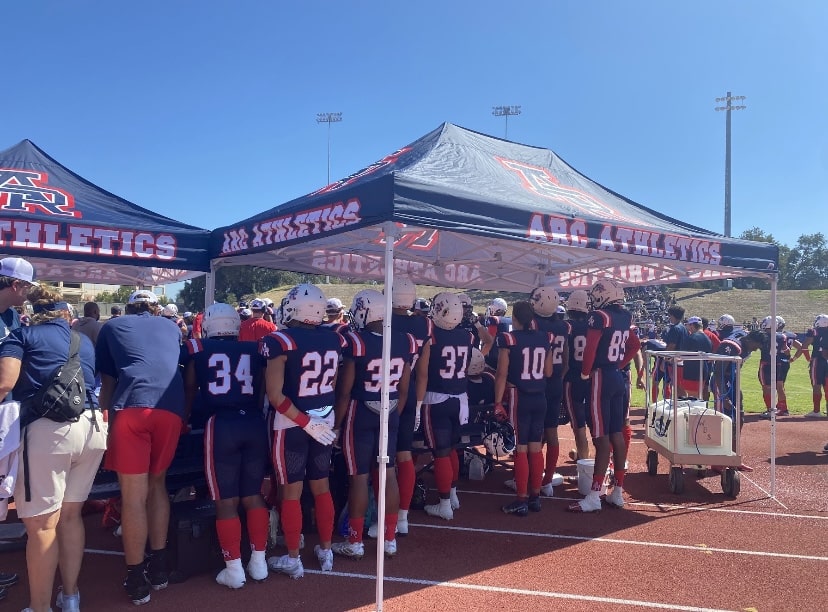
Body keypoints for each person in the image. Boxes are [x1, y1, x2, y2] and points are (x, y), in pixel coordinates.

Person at [0, 284, 106, 612]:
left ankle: (40, 607)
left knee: (43, 526)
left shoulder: (22, 336)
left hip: (47, 432)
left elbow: (5, 382)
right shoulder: (84, 342)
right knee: (71, 518)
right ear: (65, 313)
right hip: (91, 429)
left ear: (34, 312)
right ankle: (70, 597)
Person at [96, 289, 187, 605]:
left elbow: (107, 382)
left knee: (133, 496)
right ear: (155, 307)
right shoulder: (172, 326)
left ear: (128, 307)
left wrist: (103, 421)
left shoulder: (113, 326)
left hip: (133, 408)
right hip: (171, 408)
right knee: (158, 484)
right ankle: (159, 566)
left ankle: (136, 578)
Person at [180, 303, 270, 589]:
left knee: (226, 500)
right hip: (254, 423)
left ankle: (234, 568)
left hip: (221, 426)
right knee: (253, 494)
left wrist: (184, 419)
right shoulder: (256, 349)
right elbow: (262, 390)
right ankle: (259, 562)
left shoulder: (197, 348)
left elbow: (189, 390)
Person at [261, 284, 344, 578]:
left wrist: (305, 422)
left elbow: (275, 395)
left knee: (292, 492)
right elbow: (332, 383)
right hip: (323, 419)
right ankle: (325, 549)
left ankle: (294, 557)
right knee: (321, 487)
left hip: (293, 423)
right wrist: (317, 421)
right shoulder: (334, 338)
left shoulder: (281, 340)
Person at [332, 290, 415, 559]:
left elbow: (345, 391)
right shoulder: (405, 341)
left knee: (359, 477)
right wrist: (392, 414)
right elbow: (403, 389)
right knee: (387, 473)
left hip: (361, 410)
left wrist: (336, 424)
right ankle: (389, 538)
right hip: (390, 409)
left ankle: (355, 541)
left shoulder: (356, 341)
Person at [570, 279, 639, 513]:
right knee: (616, 434)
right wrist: (618, 365)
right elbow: (635, 345)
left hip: (601, 377)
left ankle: (594, 495)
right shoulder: (625, 316)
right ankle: (617, 492)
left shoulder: (599, 317)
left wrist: (585, 373)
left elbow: (590, 349)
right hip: (617, 377)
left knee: (600, 439)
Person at [0, 256, 41, 597]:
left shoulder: (12, 316)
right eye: (26, 287)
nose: (28, 294)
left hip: (6, 413)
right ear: (16, 286)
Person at [494, 301, 553, 516]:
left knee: (520, 449)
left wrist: (498, 401)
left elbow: (501, 373)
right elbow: (547, 372)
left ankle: (521, 498)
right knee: (535, 448)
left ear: (516, 318)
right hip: (540, 396)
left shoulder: (509, 339)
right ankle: (535, 497)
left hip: (521, 396)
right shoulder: (545, 337)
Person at [422, 292, 475, 521]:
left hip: (436, 397)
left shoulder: (431, 336)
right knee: (453, 447)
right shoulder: (467, 337)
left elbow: (423, 372)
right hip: (459, 398)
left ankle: (444, 504)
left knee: (441, 452)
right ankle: (452, 494)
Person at [387, 276, 431, 536]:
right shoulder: (424, 324)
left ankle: (382, 517)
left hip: (382, 391)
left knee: (382, 459)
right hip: (411, 389)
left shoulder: (383, 321)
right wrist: (417, 404)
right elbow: (423, 372)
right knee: (404, 456)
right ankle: (401, 516)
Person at [527, 285, 568, 497]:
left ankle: (530, 479)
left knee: (531, 433)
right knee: (551, 431)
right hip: (556, 382)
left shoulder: (534, 324)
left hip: (537, 382)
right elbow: (567, 359)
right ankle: (547, 480)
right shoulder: (562, 326)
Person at [562, 290, 592, 461]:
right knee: (596, 424)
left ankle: (584, 460)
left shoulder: (567, 327)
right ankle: (592, 459)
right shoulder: (594, 325)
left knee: (579, 426)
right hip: (591, 378)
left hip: (572, 379)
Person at [758, 315, 799, 418]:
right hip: (779, 363)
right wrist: (790, 358)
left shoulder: (762, 335)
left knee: (766, 387)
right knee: (780, 387)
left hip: (766, 363)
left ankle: (770, 410)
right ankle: (784, 409)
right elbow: (787, 351)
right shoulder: (782, 336)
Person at [792, 314, 828, 418]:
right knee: (827, 385)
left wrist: (807, 358)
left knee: (816, 385)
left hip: (818, 360)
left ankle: (816, 411)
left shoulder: (814, 331)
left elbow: (804, 346)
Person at [679, 316, 713, 399]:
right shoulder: (708, 339)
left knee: (692, 397)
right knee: (697, 395)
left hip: (691, 370)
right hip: (703, 370)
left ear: (692, 325)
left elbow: (682, 354)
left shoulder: (690, 338)